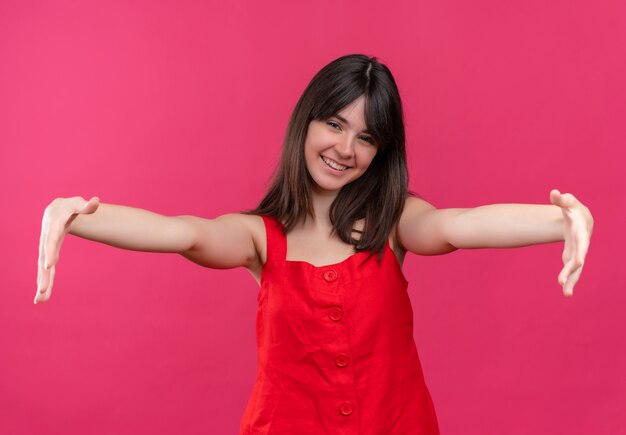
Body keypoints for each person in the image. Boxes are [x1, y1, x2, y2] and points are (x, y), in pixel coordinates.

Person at [35, 54, 594, 434]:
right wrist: (80, 217)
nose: (345, 148)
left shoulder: (394, 222)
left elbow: (459, 225)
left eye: (367, 136)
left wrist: (559, 221)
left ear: (381, 152)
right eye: (334, 123)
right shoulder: (258, 236)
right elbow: (183, 232)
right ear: (306, 122)